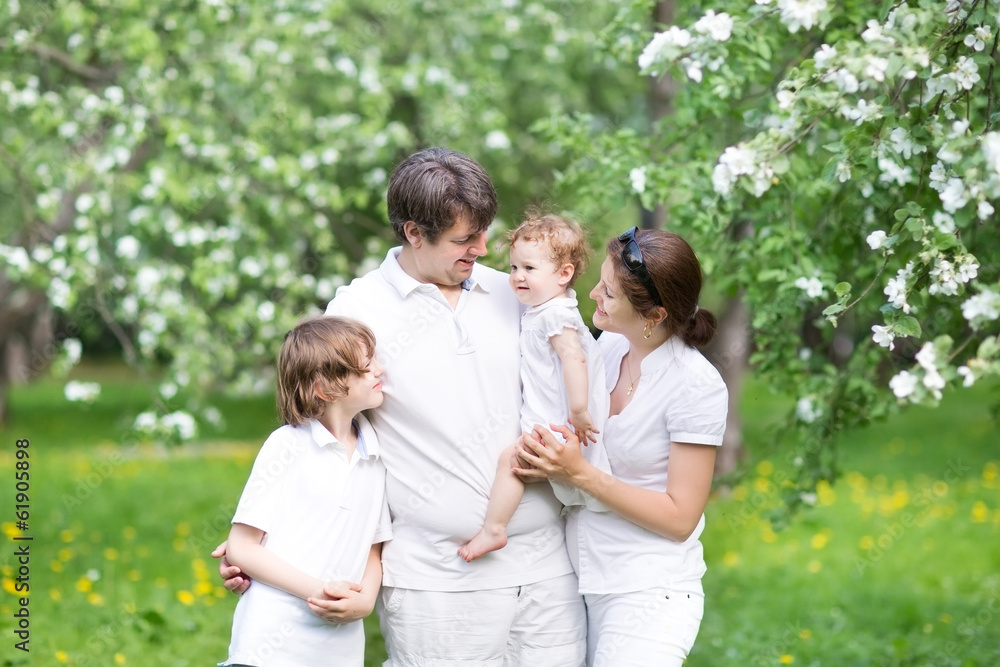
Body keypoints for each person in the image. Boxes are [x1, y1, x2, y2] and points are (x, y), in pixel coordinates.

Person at [216, 148, 586, 666]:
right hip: (436, 581)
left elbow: (581, 380)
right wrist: (259, 547)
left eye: (484, 232)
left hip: (547, 570)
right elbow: (323, 437)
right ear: (414, 233)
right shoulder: (356, 311)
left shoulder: (521, 292)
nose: (482, 248)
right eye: (463, 239)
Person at [514, 226, 728, 667]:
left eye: (609, 293)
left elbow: (680, 518)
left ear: (653, 315)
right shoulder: (609, 347)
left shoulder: (696, 385)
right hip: (579, 578)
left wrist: (578, 474)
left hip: (649, 589)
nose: (592, 293)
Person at [219, 316, 392, 667]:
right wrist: (319, 592)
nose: (380, 370)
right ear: (324, 388)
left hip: (339, 651)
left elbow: (373, 546)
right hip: (268, 647)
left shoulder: (375, 454)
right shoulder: (286, 446)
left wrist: (366, 599)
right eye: (365, 366)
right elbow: (241, 546)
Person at [459, 213, 611, 563]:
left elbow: (575, 360)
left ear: (563, 274)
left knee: (511, 460)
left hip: (558, 419)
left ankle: (494, 529)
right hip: (553, 416)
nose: (517, 277)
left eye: (529, 268)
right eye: (513, 268)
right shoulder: (543, 309)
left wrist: (578, 411)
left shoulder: (556, 315)